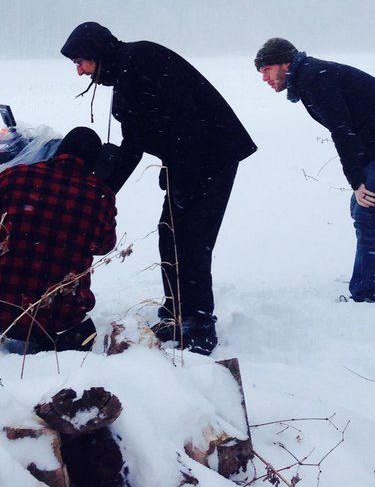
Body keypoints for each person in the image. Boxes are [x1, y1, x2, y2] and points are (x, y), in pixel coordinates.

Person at [60, 22, 257, 355]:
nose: (79, 72)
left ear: (96, 52)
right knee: (170, 233)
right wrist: (100, 192)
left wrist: (185, 178)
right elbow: (132, 147)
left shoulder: (144, 58)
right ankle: (175, 313)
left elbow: (186, 120)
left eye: (81, 62)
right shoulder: (124, 78)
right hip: (190, 161)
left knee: (192, 239)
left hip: (214, 154)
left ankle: (198, 324)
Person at [254, 37, 375, 303]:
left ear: (285, 63)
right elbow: (348, 127)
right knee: (362, 209)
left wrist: (357, 181)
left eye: (266, 70)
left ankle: (367, 293)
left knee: (367, 209)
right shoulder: (309, 76)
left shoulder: (314, 78)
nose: (264, 79)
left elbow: (342, 130)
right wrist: (358, 178)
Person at [0, 126, 117, 354]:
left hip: (1, 312)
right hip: (60, 323)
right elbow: (104, 245)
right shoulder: (101, 196)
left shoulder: (17, 175)